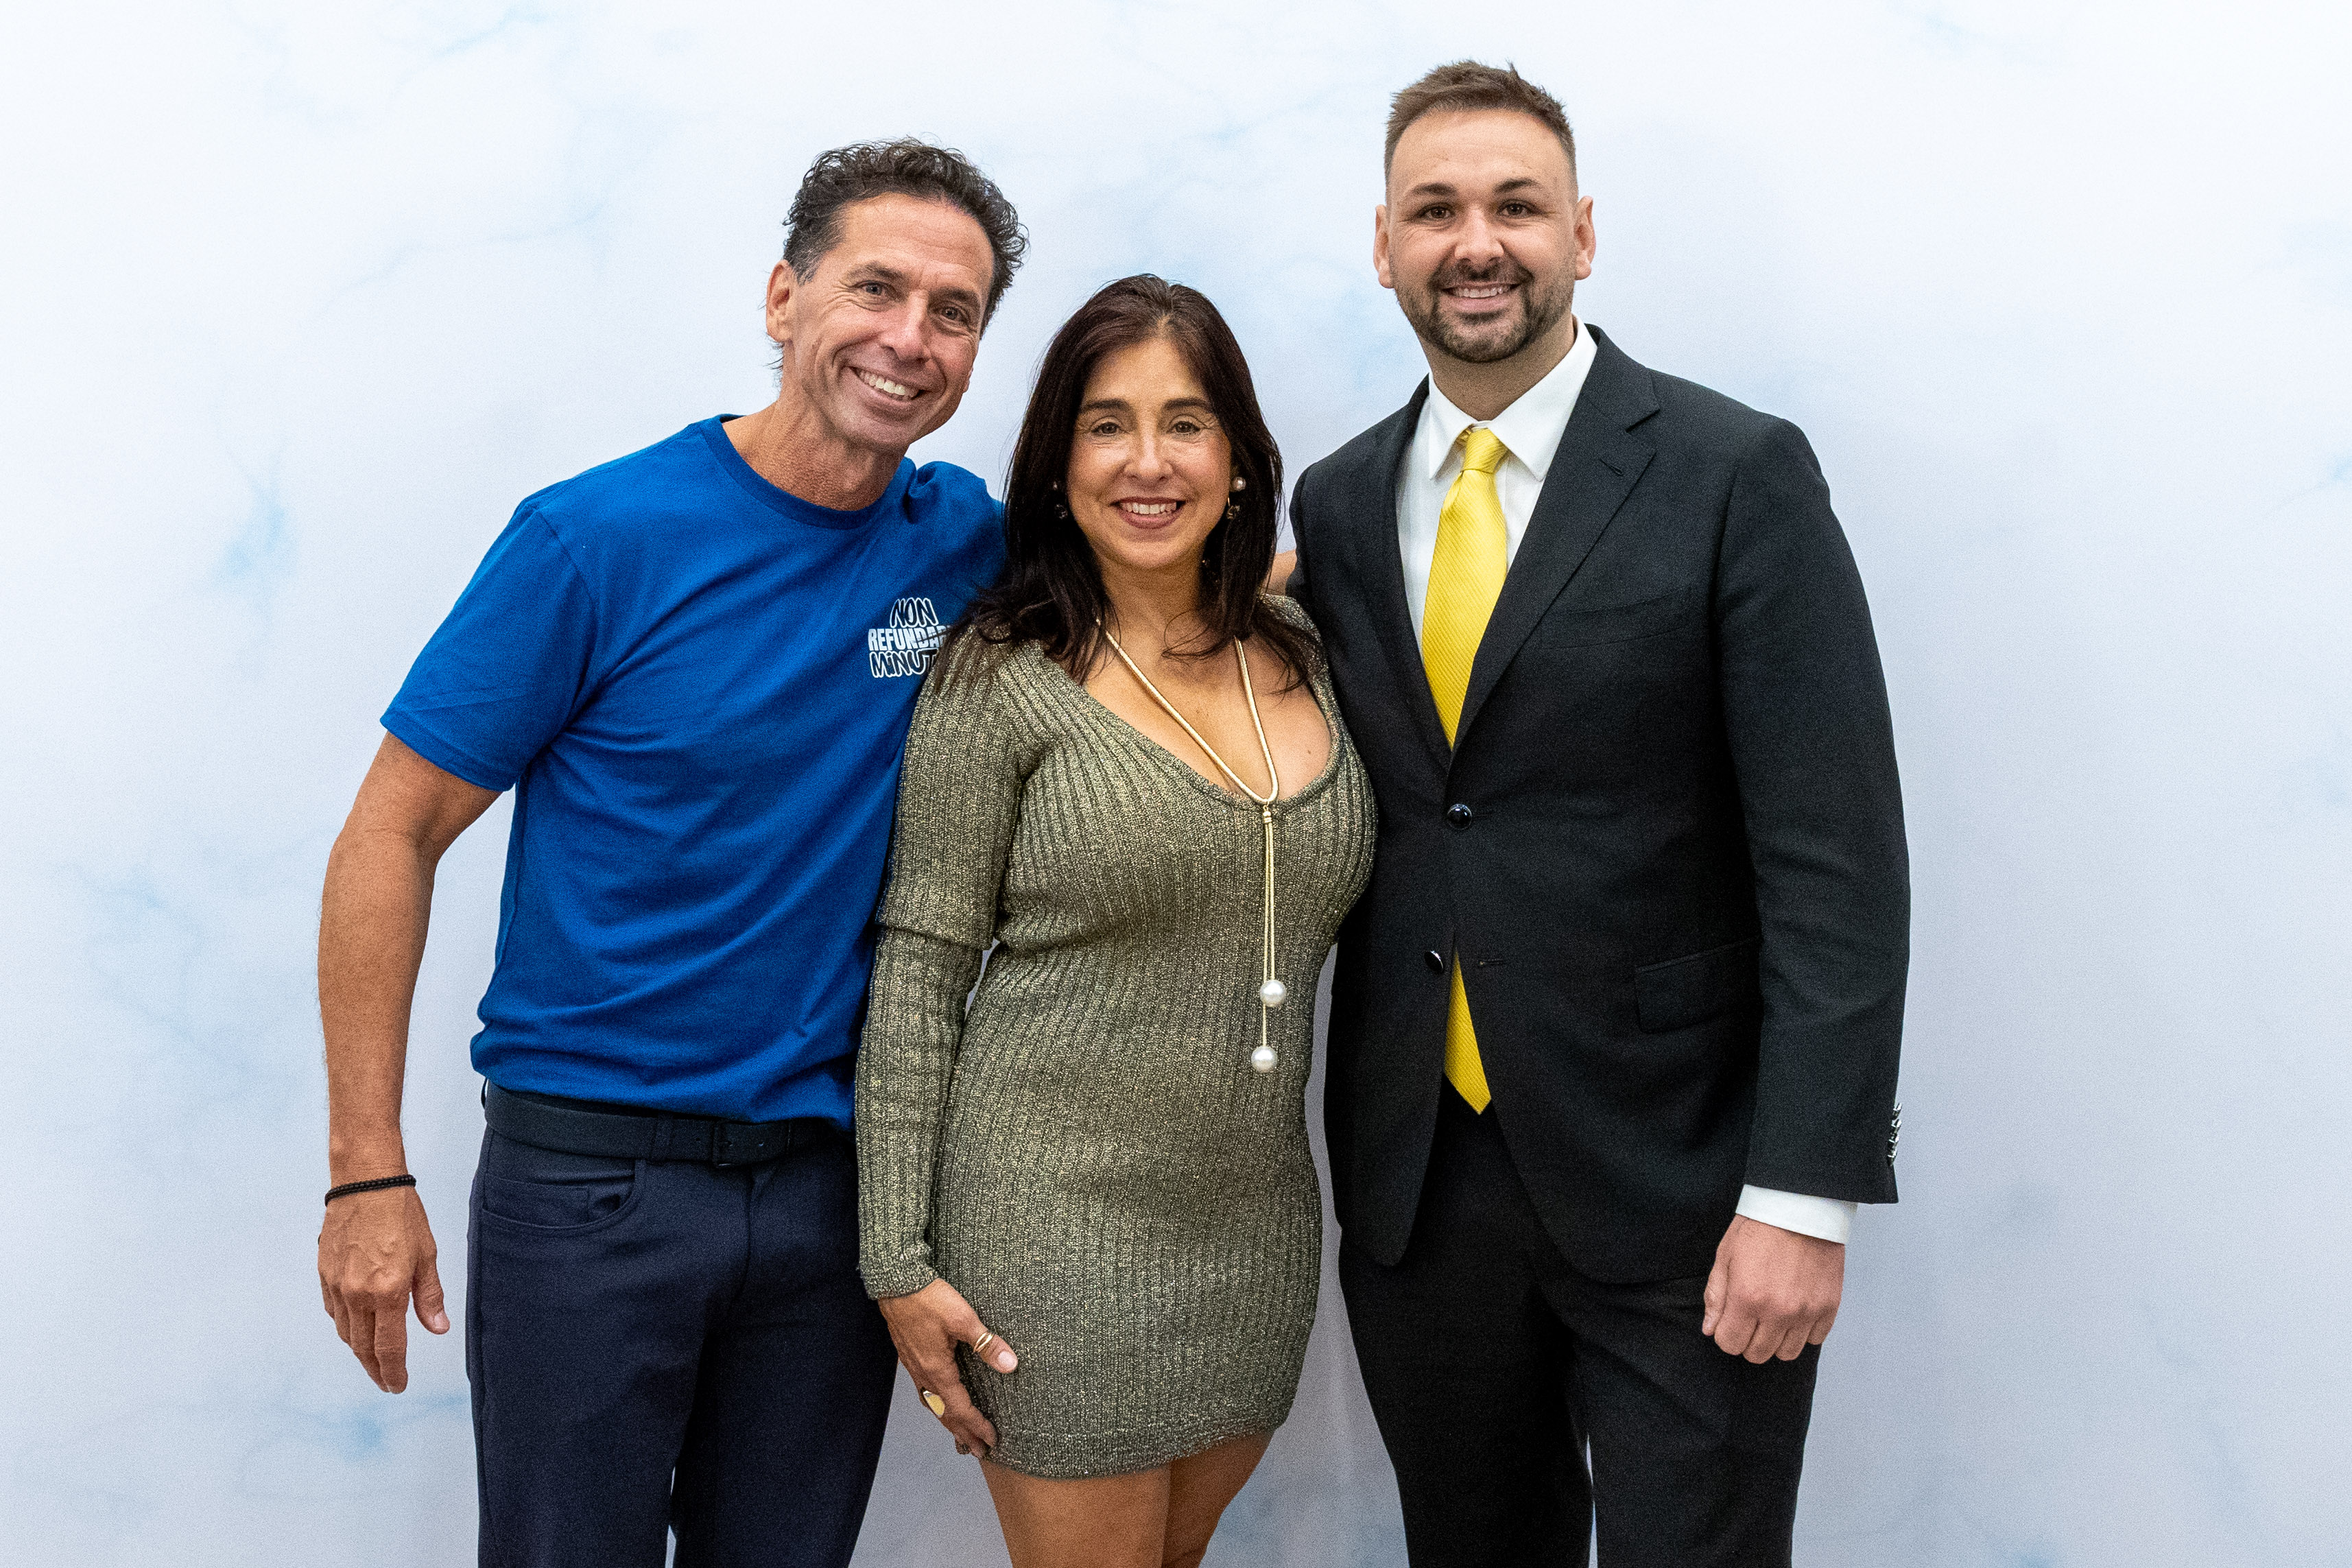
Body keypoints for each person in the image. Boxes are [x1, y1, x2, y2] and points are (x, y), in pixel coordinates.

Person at [312, 140, 1023, 1568]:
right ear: (782, 298)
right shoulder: (596, 539)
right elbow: (393, 830)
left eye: (952, 312)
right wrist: (363, 1170)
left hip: (830, 1199)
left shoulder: (960, 545)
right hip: (590, 1191)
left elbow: (1167, 576)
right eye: (874, 288)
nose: (909, 337)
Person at [1281, 62, 1910, 1566]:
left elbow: (1834, 862)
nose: (1475, 243)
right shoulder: (1336, 504)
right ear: (1383, 246)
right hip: (1421, 1191)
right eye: (1434, 210)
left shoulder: (1734, 472)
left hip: (1687, 1188)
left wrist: (1803, 1195)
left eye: (1515, 205)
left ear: (1580, 232)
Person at [854, 274, 1376, 1568]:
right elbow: (920, 965)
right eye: (1106, 425)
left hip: (1253, 1234)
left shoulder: (1306, 646)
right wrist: (894, 1256)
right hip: (1049, 1234)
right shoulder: (1000, 672)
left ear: (1240, 461)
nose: (1148, 461)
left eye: (1186, 422)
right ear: (1056, 462)